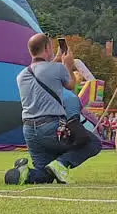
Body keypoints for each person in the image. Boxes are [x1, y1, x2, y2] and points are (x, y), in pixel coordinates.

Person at [11, 34, 102, 184]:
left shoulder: (22, 75)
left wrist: (57, 59)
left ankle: (24, 173)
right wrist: (68, 64)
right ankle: (62, 163)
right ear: (47, 48)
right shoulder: (58, 69)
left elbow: (42, 72)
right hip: (51, 126)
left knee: (45, 174)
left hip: (29, 130)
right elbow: (71, 85)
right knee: (93, 143)